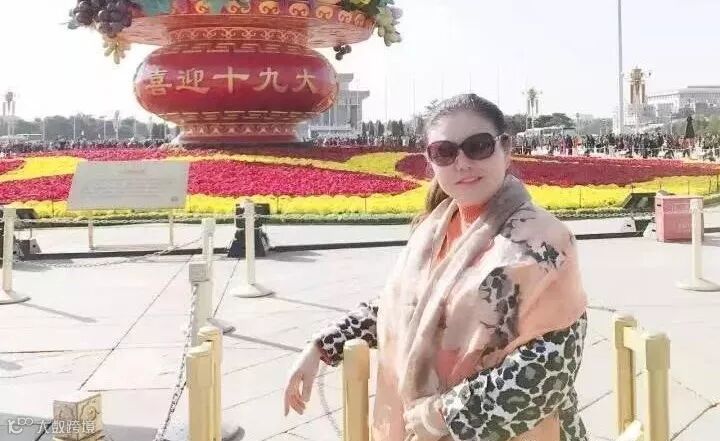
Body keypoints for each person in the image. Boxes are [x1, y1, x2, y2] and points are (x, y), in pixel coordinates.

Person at [283, 94, 588, 441]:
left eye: (478, 146)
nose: (462, 163)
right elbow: (408, 308)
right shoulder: (434, 229)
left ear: (506, 149)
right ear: (431, 161)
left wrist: (438, 417)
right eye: (445, 152)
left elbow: (550, 370)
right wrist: (322, 346)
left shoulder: (543, 244)